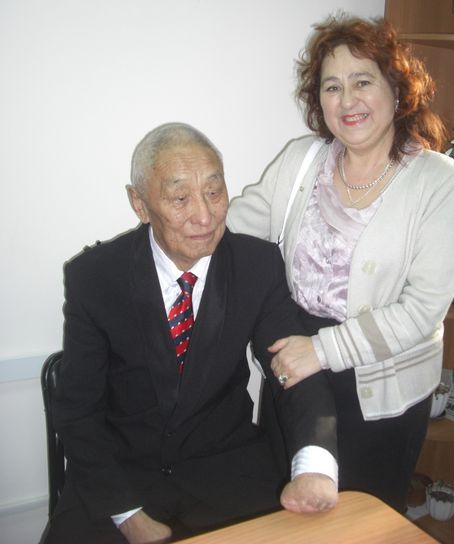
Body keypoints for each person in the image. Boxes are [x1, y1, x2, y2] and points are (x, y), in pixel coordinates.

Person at [46, 123, 339, 544]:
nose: (205, 216)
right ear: (140, 203)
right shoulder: (95, 277)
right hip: (121, 476)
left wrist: (314, 466)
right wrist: (128, 517)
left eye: (214, 192)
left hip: (226, 472)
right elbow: (77, 411)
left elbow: (295, 367)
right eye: (180, 198)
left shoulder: (256, 266)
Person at [227, 13, 454, 512]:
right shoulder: (300, 160)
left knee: (362, 520)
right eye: (332, 87)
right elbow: (232, 231)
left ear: (397, 91)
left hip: (381, 387)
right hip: (293, 368)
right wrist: (170, 228)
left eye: (363, 81)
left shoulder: (441, 182)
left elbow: (422, 310)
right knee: (286, 516)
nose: (347, 100)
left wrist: (322, 350)